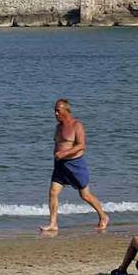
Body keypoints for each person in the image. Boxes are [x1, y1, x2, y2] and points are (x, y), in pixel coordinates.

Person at [40, 99, 109, 233]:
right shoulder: (58, 127)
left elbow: (81, 145)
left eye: (58, 111)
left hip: (75, 165)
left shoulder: (77, 125)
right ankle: (53, 223)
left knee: (85, 195)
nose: (55, 113)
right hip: (60, 165)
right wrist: (57, 155)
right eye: (54, 111)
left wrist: (64, 153)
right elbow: (58, 144)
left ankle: (103, 216)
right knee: (53, 192)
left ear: (66, 110)